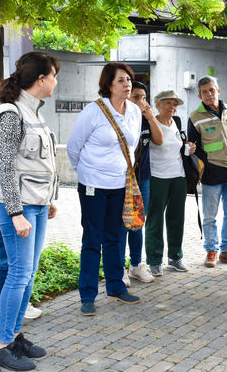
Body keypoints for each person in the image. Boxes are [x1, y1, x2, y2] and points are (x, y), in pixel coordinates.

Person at [0, 52, 59, 371]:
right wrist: (16, 213)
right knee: (18, 274)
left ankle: (15, 336)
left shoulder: (33, 112)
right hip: (14, 206)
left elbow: (39, 163)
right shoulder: (10, 113)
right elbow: (4, 164)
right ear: (41, 79)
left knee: (27, 274)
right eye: (54, 75)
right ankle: (2, 345)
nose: (56, 82)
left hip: (37, 203)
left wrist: (50, 198)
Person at [67, 63, 145, 317]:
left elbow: (132, 148)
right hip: (93, 185)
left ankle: (116, 286)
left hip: (121, 185)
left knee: (116, 238)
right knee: (93, 239)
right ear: (108, 85)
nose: (127, 84)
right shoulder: (93, 111)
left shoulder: (134, 111)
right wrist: (89, 174)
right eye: (121, 80)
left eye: (129, 80)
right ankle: (87, 295)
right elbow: (74, 147)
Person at [188, 76, 227, 267]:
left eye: (212, 90)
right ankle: (211, 250)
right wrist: (205, 166)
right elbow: (194, 147)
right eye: (204, 92)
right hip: (211, 173)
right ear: (200, 95)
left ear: (218, 90)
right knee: (210, 216)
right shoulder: (195, 117)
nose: (209, 94)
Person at [145, 90, 195, 276]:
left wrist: (189, 148)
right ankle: (154, 260)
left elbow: (179, 149)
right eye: (168, 103)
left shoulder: (177, 122)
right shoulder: (151, 122)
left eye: (175, 104)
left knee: (176, 218)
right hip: (157, 177)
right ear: (158, 104)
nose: (173, 107)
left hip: (178, 177)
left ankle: (175, 257)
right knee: (155, 219)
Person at [122, 81, 163, 283]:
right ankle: (119, 267)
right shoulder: (121, 120)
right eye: (136, 97)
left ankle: (136, 265)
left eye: (144, 98)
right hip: (122, 179)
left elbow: (159, 140)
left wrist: (150, 116)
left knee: (138, 223)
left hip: (143, 178)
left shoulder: (146, 120)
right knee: (121, 223)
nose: (142, 102)